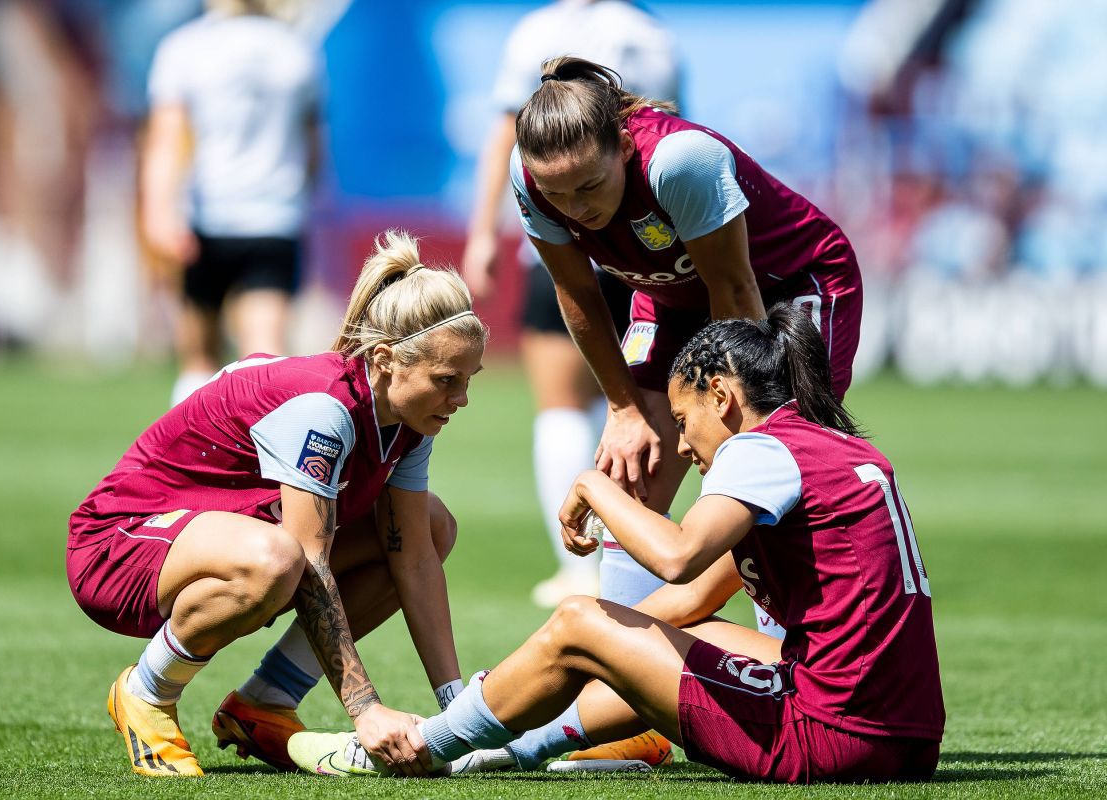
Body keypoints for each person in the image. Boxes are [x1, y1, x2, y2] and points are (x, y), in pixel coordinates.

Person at [291, 303, 944, 783]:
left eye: (684, 420)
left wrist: (592, 487)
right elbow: (688, 600)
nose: (682, 445)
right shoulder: (837, 447)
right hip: (905, 735)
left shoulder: (761, 448)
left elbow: (677, 557)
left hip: (833, 736)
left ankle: (422, 747)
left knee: (577, 618)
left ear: (722, 396)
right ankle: (504, 740)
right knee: (640, 631)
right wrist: (581, 659)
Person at [66, 230, 487, 777]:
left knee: (430, 525)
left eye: (468, 380)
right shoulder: (324, 409)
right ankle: (147, 691)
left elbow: (415, 558)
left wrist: (459, 713)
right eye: (447, 380)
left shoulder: (409, 420)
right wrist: (366, 710)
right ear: (385, 359)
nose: (462, 399)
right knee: (279, 559)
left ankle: (265, 702)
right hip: (116, 541)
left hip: (216, 539)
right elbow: (310, 564)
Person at [506, 57, 864, 636]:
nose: (576, 210)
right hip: (672, 296)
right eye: (558, 194)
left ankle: (791, 665)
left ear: (624, 146)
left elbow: (735, 289)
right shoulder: (529, 176)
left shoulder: (680, 162)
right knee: (632, 474)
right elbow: (577, 293)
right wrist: (623, 409)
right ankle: (625, 678)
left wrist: (733, 434)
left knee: (765, 465)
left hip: (786, 287)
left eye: (590, 187)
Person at [462, 0, 680, 611]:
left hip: (568, 246)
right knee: (651, 412)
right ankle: (634, 563)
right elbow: (668, 132)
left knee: (562, 404)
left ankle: (579, 567)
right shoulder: (653, 33)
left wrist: (484, 231)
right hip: (653, 248)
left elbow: (508, 135)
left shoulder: (538, 29)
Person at [141, 0, 324, 406]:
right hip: (275, 219)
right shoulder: (297, 49)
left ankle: (193, 444)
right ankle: (264, 444)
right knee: (264, 360)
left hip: (207, 218)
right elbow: (314, 151)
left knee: (198, 359)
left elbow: (166, 142)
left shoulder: (183, 47)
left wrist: (159, 212)